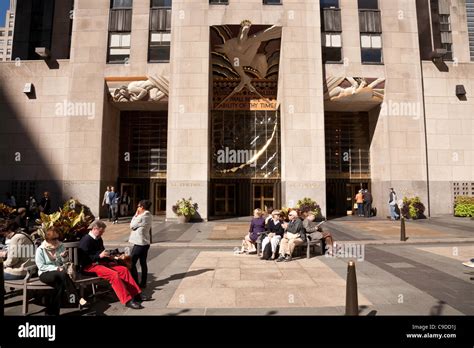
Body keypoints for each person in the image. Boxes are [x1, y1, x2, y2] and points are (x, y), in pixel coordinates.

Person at [79, 220, 144, 309]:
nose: (102, 234)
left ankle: (136, 294)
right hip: (89, 266)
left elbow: (101, 253)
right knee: (114, 275)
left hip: (100, 263)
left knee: (123, 270)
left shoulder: (98, 238)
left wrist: (110, 256)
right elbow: (83, 259)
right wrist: (99, 256)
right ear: (95, 229)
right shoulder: (86, 240)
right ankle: (127, 300)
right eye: (101, 231)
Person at [35, 227, 86, 315]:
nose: (56, 241)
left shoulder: (61, 246)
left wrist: (64, 257)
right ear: (47, 239)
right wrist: (55, 268)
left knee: (58, 286)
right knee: (61, 275)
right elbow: (41, 266)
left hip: (61, 274)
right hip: (45, 273)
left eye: (57, 238)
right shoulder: (41, 249)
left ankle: (51, 313)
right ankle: (77, 297)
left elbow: (66, 263)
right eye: (53, 239)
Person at [129, 200, 152, 289]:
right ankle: (143, 282)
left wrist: (135, 215)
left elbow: (132, 225)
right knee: (143, 263)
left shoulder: (142, 216)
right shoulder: (149, 215)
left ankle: (135, 283)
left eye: (138, 206)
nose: (137, 208)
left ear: (142, 207)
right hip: (145, 243)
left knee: (131, 263)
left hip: (140, 243)